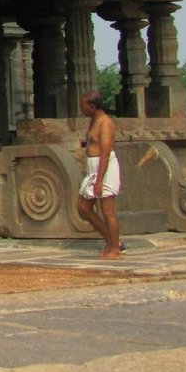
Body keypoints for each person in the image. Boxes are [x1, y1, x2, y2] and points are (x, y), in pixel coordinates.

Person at [76, 90, 122, 260]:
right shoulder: (93, 120)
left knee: (107, 209)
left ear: (92, 106)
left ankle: (115, 249)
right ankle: (113, 241)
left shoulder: (105, 123)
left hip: (105, 167)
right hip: (94, 167)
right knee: (84, 207)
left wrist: (100, 180)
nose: (81, 110)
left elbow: (105, 153)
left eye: (83, 106)